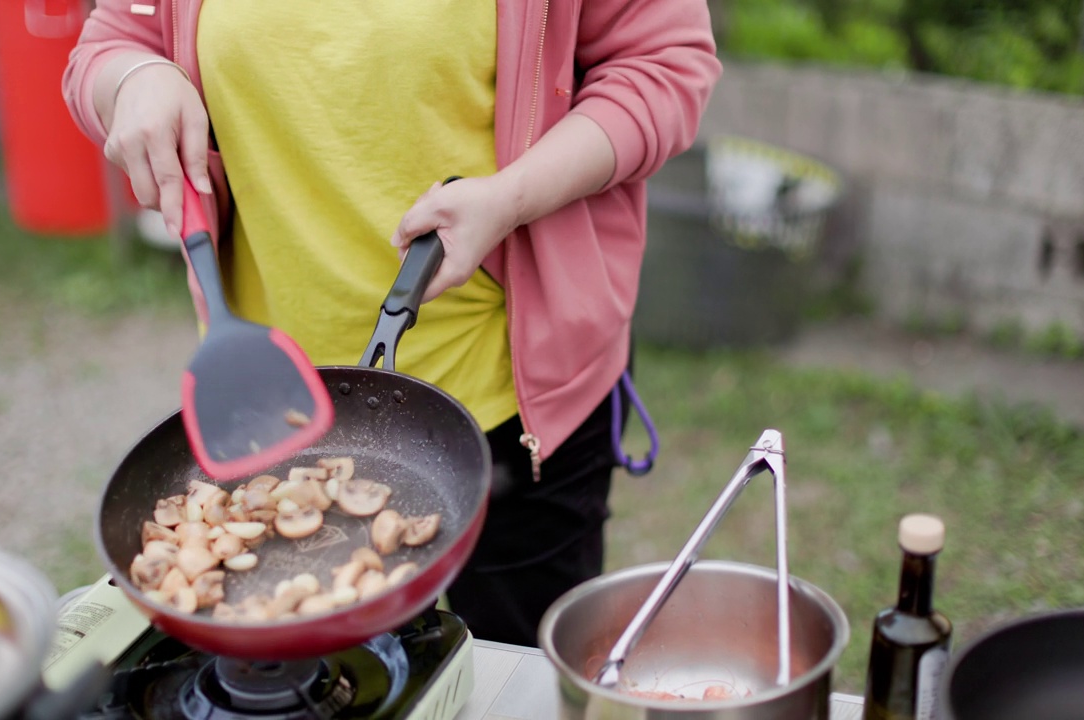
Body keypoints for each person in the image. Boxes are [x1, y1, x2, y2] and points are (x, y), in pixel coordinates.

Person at [64, 0, 721, 648]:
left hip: (518, 399)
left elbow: (662, 63)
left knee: (519, 671)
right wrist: (132, 77)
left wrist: (513, 196)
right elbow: (113, 41)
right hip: (277, 417)